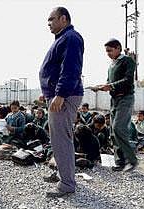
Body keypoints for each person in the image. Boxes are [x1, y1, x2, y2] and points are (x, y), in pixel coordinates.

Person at [39, 7, 84, 198]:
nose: (49, 23)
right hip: (59, 95)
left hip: (65, 96)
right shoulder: (62, 38)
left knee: (61, 140)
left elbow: (71, 68)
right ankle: (63, 175)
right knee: (58, 139)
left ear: (63, 19)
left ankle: (66, 184)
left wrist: (60, 94)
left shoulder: (71, 37)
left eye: (52, 19)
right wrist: (49, 92)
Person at [92, 39, 138, 172]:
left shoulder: (127, 61)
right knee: (113, 131)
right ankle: (120, 162)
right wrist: (101, 87)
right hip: (114, 100)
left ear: (118, 48)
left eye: (110, 50)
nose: (108, 54)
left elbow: (128, 80)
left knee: (119, 128)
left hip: (125, 98)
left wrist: (111, 86)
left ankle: (132, 160)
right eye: (106, 51)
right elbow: (109, 81)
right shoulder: (112, 65)